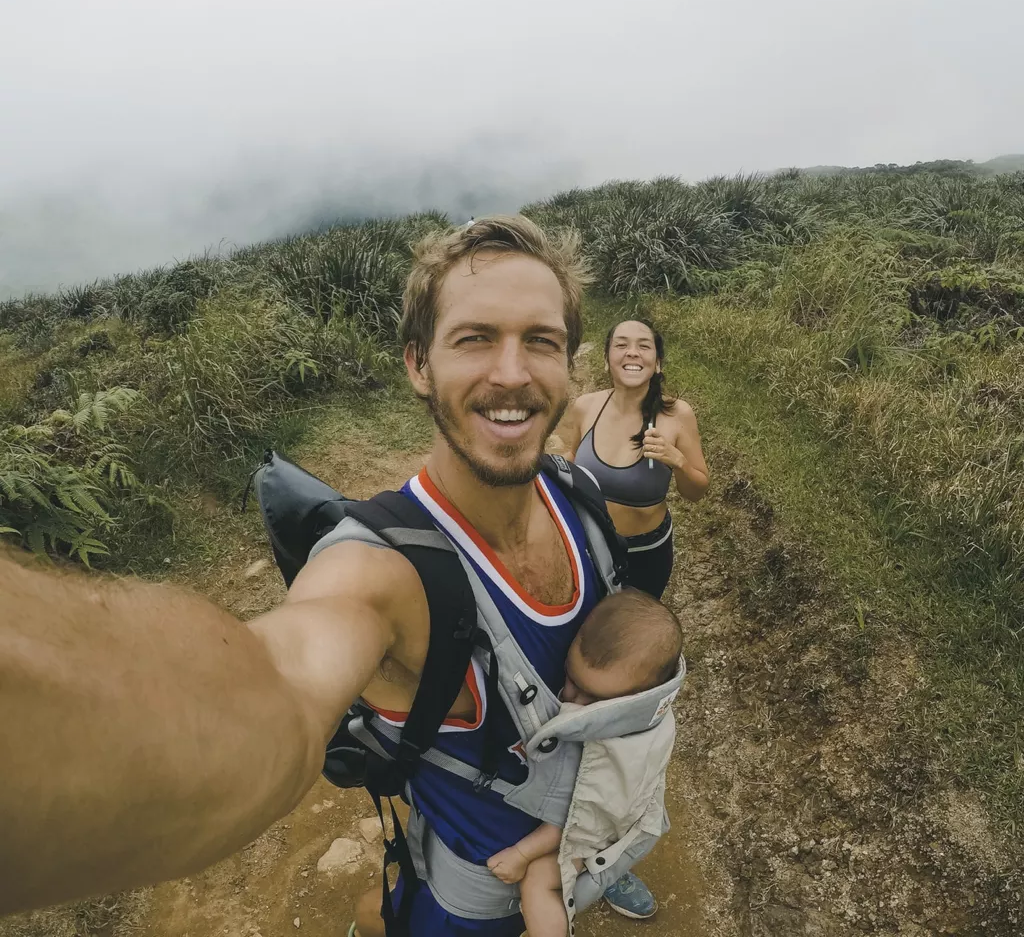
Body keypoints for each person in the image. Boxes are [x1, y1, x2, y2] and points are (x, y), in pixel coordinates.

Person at [0, 216, 660, 932]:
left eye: (540, 340)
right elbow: (278, 684)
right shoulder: (383, 574)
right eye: (474, 338)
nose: (512, 371)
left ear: (569, 366)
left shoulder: (578, 496)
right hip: (471, 913)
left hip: (581, 846)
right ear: (417, 365)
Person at [486, 589, 682, 937]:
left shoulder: (606, 755)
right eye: (571, 679)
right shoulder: (653, 712)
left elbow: (573, 820)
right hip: (637, 809)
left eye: (593, 700)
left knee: (538, 882)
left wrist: (520, 853)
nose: (571, 699)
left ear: (634, 700)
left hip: (610, 827)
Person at [559, 319, 709, 600]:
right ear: (607, 360)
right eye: (621, 345)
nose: (632, 352)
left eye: (644, 346)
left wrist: (678, 461)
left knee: (631, 634)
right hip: (587, 544)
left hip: (645, 554)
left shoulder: (677, 414)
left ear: (658, 363)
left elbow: (697, 492)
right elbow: (570, 457)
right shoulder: (585, 407)